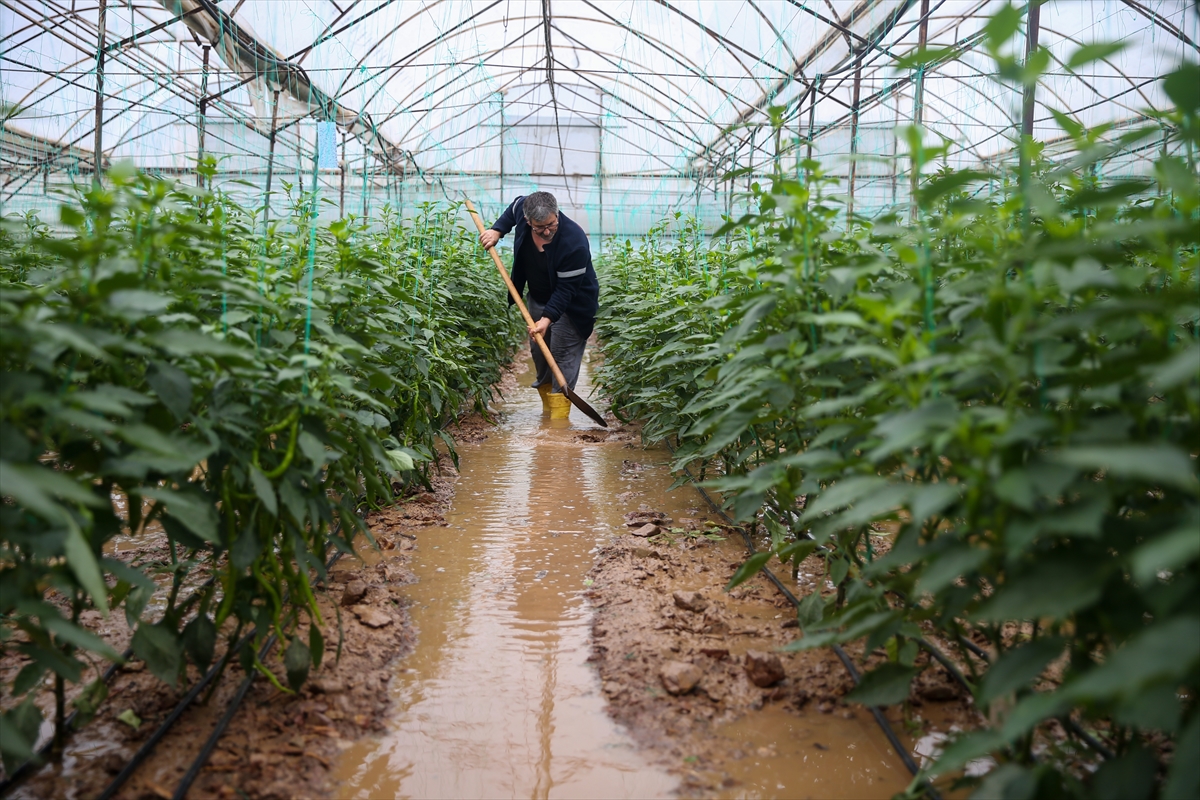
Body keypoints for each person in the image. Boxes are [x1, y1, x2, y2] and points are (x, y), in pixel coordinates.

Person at [479, 191, 599, 412]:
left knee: (562, 357)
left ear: (557, 214)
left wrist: (547, 319)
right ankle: (548, 415)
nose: (546, 231)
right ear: (527, 221)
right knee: (541, 355)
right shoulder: (522, 208)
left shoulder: (575, 242)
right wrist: (497, 230)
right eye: (539, 227)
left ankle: (558, 431)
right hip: (538, 297)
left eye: (552, 224)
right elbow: (514, 206)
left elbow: (566, 291)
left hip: (573, 305)